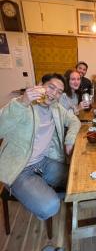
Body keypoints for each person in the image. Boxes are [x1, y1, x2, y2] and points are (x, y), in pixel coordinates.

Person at [0, 73, 81, 220]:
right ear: (40, 84)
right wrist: (22, 102)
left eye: (59, 92)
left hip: (43, 161)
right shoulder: (21, 104)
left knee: (77, 178)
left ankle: (43, 190)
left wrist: (69, 140)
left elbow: (75, 121)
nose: (53, 94)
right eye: (51, 87)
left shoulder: (56, 108)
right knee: (50, 206)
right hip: (18, 169)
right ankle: (46, 195)